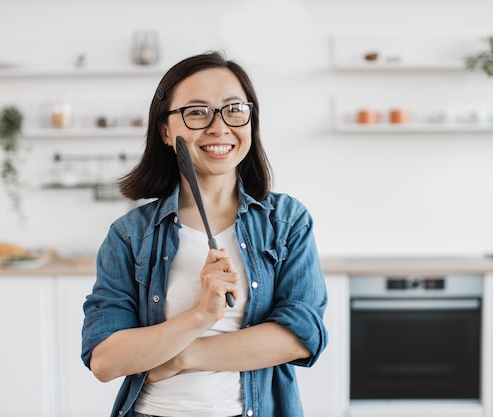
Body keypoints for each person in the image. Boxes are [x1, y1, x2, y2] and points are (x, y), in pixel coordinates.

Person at [81, 51, 328, 417]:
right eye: (197, 112)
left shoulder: (287, 221)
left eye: (234, 109)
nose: (219, 127)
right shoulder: (131, 235)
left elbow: (301, 335)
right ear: (166, 130)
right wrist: (200, 316)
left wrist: (183, 356)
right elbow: (105, 359)